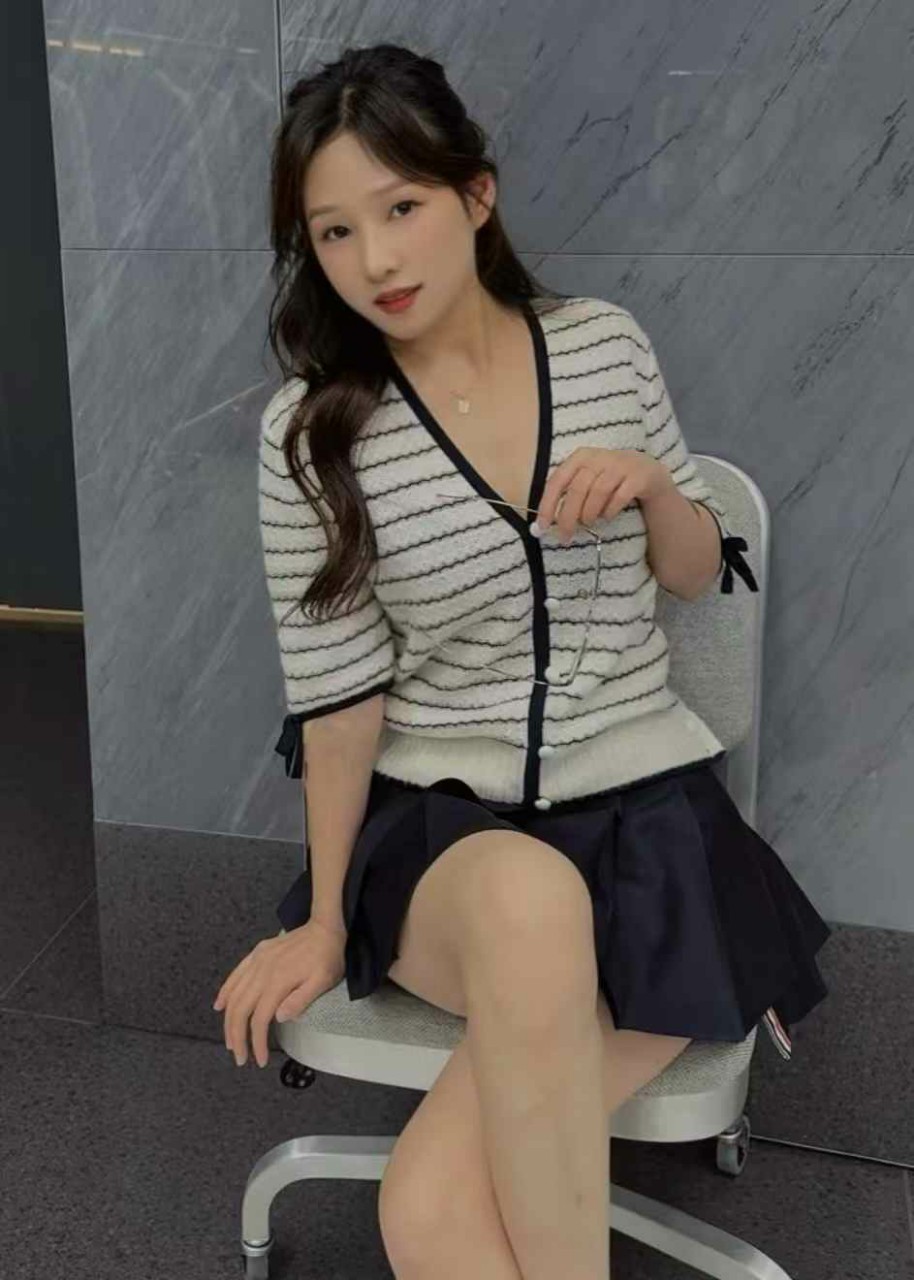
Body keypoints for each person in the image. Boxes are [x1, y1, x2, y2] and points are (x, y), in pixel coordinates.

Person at [213, 42, 831, 1279]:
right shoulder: (311, 436)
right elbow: (339, 699)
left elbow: (693, 572)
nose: (374, 260)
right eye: (334, 233)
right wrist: (326, 918)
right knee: (526, 897)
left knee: (431, 1208)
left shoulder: (604, 347)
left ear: (474, 194)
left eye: (400, 208)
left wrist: (653, 486)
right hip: (448, 839)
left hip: (648, 831)